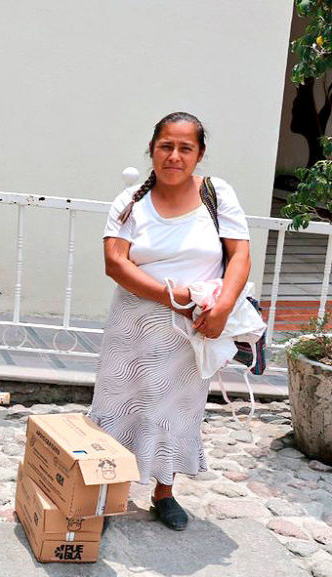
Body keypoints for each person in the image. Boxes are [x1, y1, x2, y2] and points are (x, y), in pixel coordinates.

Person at [89, 111, 251, 531]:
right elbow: (115, 263)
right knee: (117, 405)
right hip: (134, 325)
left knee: (175, 411)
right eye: (166, 146)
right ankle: (108, 492)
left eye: (185, 148)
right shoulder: (129, 202)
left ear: (199, 154)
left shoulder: (218, 194)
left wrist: (223, 307)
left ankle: (164, 492)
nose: (174, 156)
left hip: (190, 331)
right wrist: (167, 295)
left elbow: (239, 254)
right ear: (152, 149)